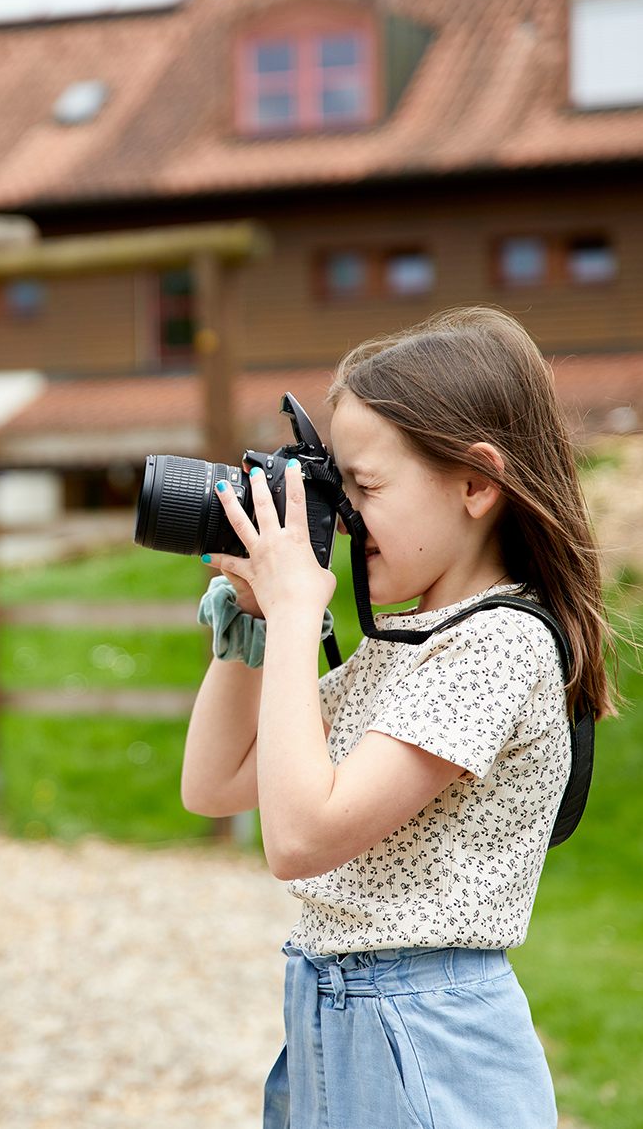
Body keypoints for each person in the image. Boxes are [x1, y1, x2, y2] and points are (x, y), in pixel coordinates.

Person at [180, 306, 616, 1129]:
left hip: (424, 1033)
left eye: (365, 489)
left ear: (476, 484)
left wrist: (299, 604)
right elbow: (215, 784)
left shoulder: (496, 646)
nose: (341, 520)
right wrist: (257, 627)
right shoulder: (405, 644)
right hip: (334, 1013)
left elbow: (301, 838)